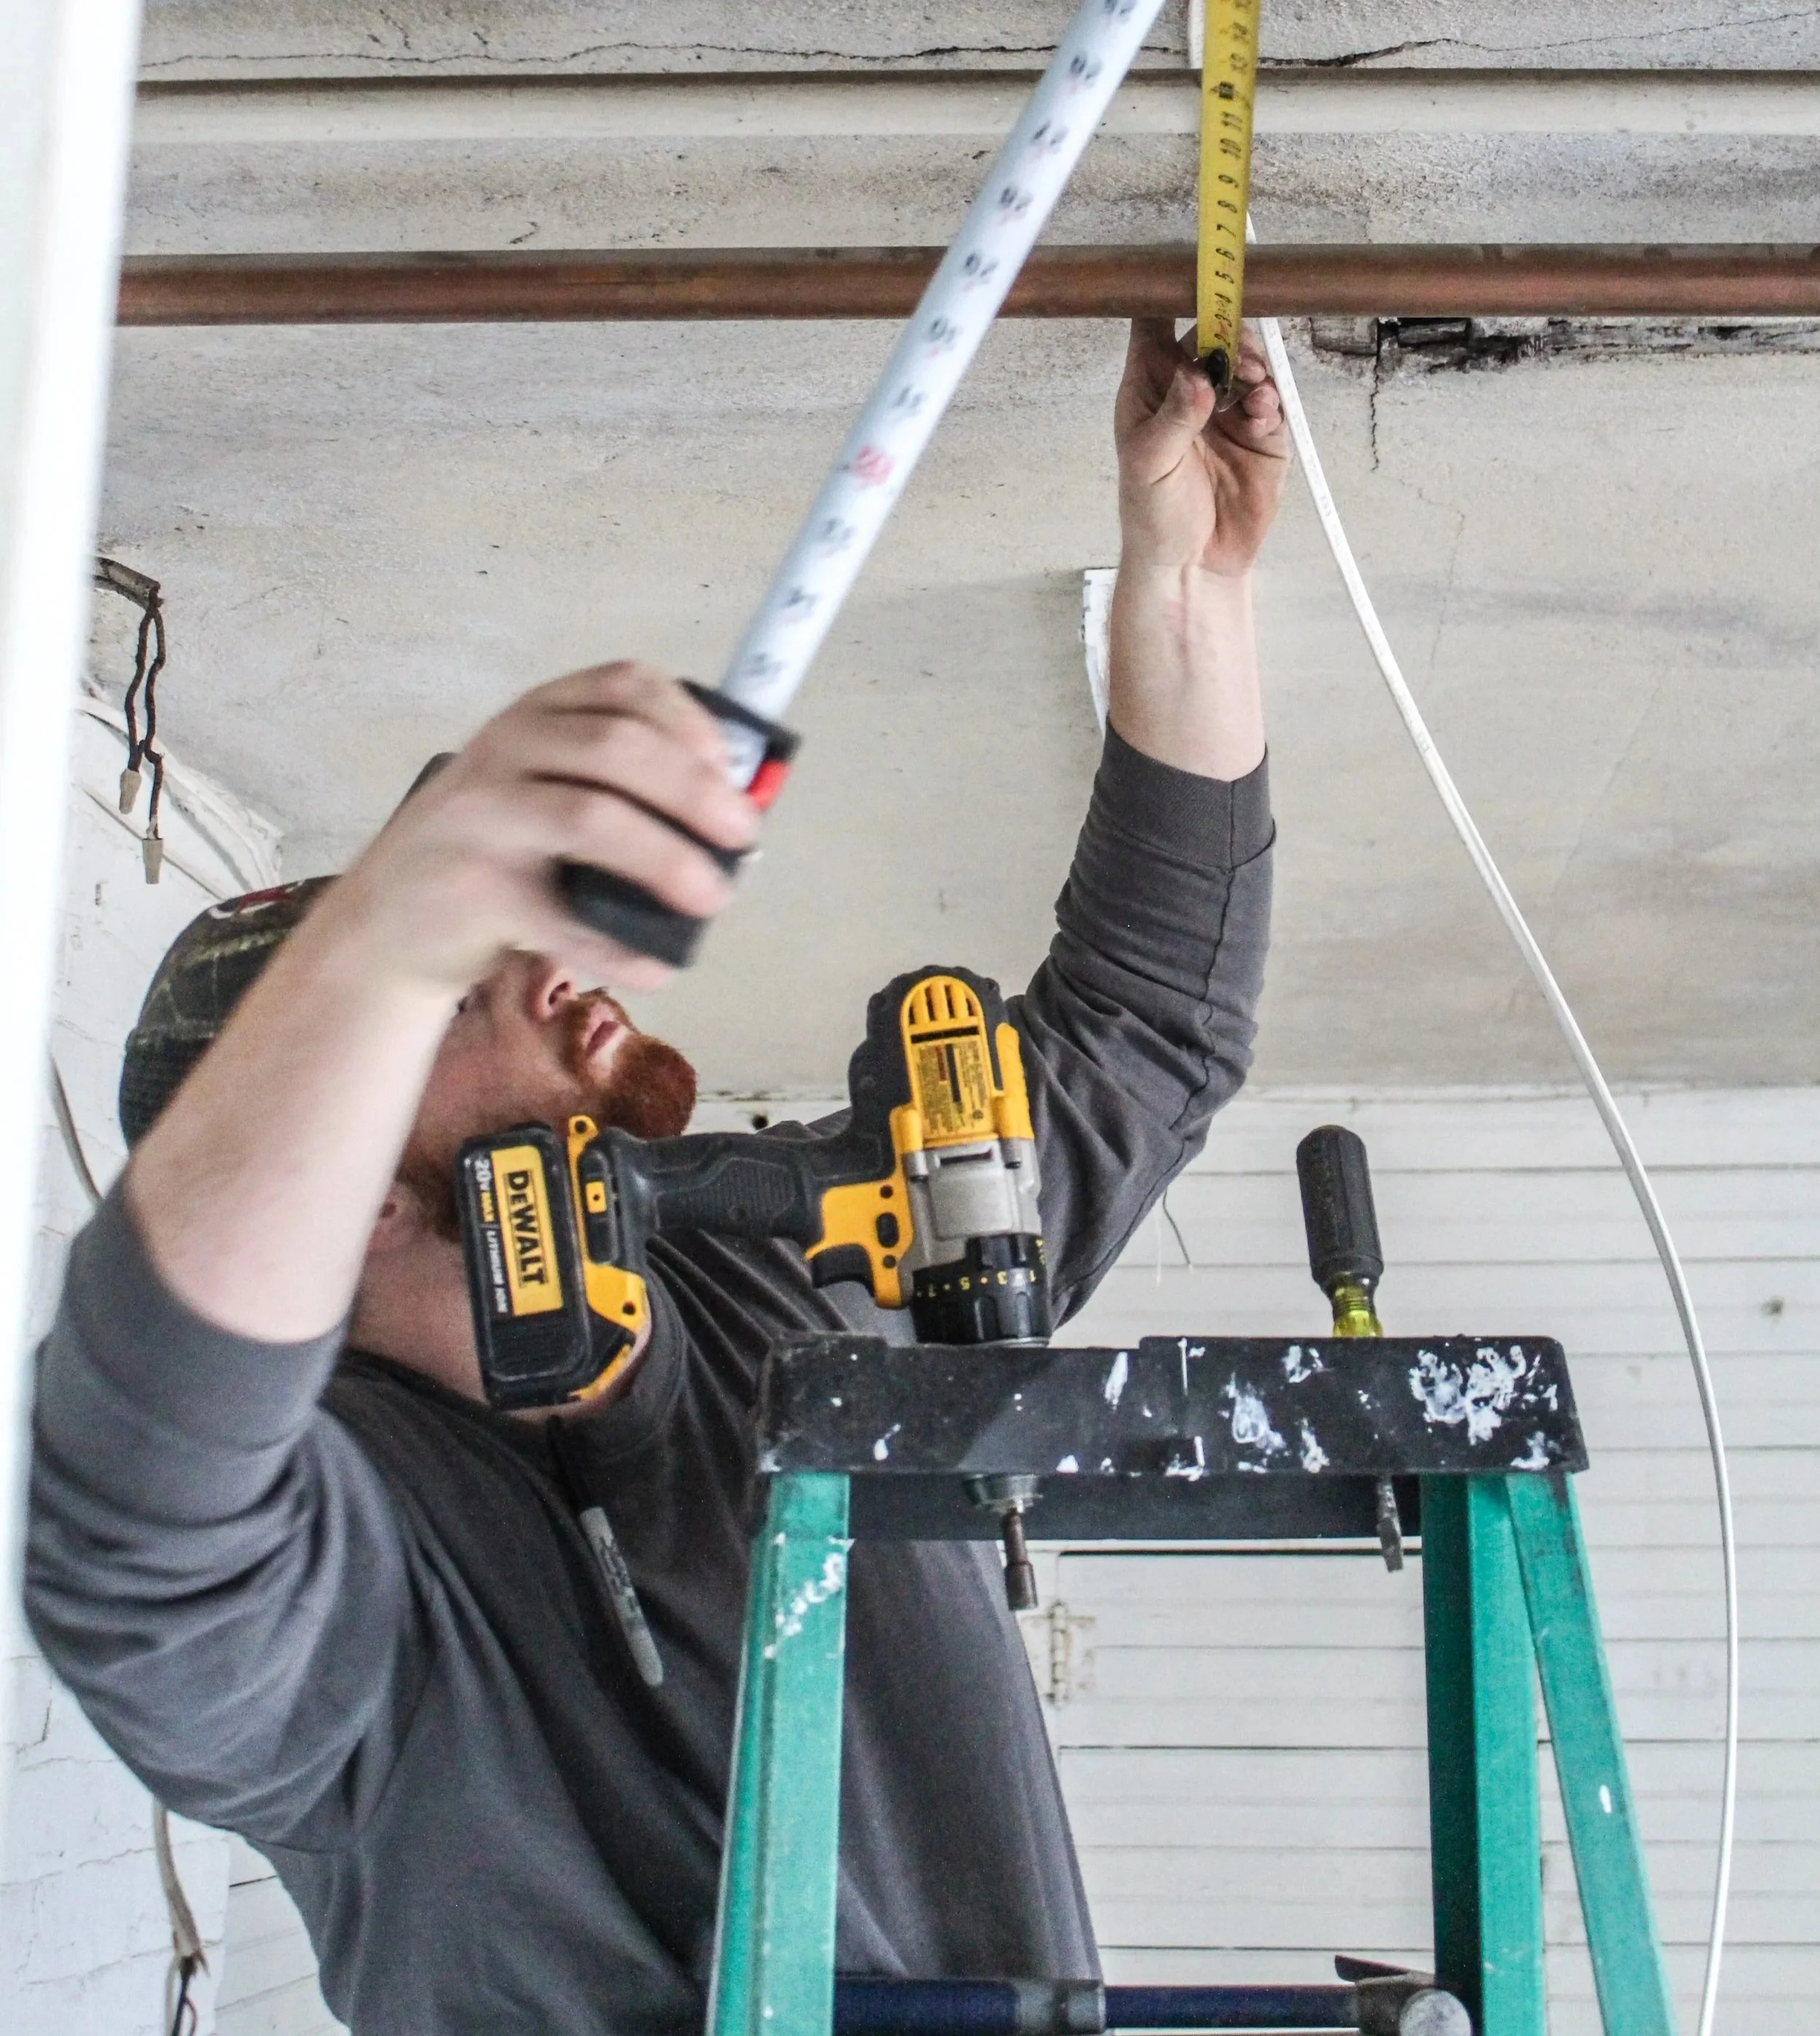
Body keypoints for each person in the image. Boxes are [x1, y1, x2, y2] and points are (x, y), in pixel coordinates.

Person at [25, 320, 1287, 2034]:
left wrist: (1188, 597)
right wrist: (388, 937)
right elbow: (136, 1498)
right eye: (465, 983)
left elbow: (1144, 1032)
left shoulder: (761, 1266)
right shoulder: (342, 1575)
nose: (548, 965)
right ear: (350, 1192)